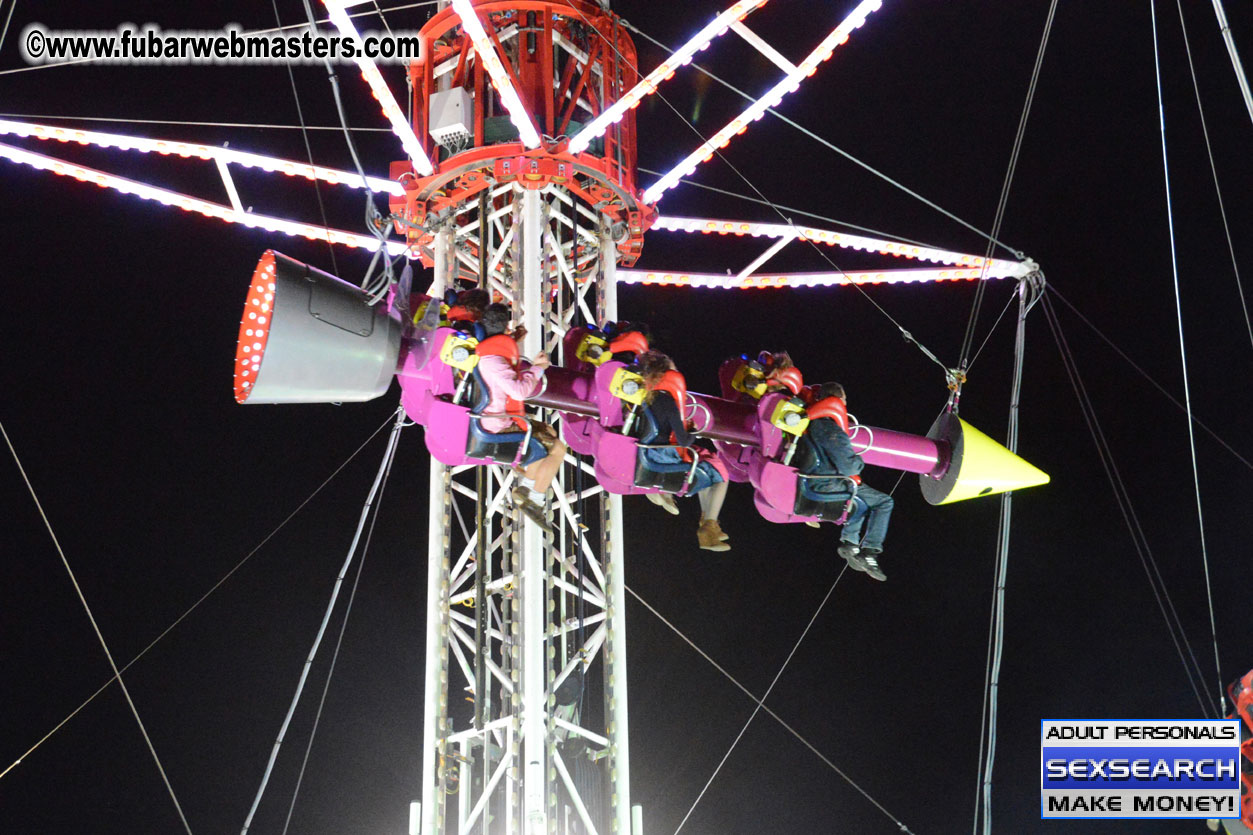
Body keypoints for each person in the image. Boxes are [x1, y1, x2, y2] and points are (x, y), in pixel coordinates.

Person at [474, 303, 567, 529]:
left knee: (549, 431)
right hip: (498, 425)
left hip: (496, 417)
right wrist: (538, 368)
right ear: (504, 327)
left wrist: (514, 339)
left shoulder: (484, 353)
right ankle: (533, 498)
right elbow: (519, 391)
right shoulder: (493, 361)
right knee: (558, 448)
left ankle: (525, 487)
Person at [634, 351, 731, 552]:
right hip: (666, 458)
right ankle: (708, 527)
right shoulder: (668, 401)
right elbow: (684, 440)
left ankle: (709, 523)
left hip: (651, 452)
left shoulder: (645, 396)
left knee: (709, 468)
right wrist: (692, 430)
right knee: (721, 477)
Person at [797, 382, 894, 581]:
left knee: (862, 499)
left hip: (817, 479)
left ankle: (850, 543)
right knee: (884, 502)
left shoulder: (813, 424)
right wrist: (859, 462)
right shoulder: (829, 429)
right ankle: (869, 552)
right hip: (828, 483)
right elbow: (849, 467)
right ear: (838, 400)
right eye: (845, 400)